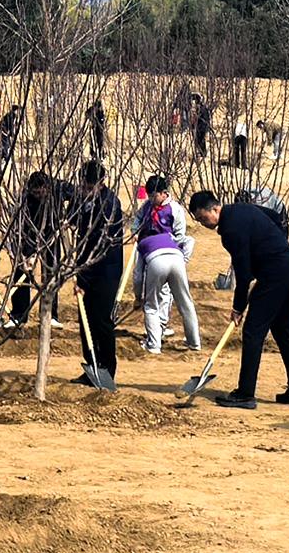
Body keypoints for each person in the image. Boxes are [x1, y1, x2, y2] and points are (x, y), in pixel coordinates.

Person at [197, 191, 289, 409]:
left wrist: (238, 307)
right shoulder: (244, 208)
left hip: (274, 275)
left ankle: (245, 393)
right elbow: (277, 217)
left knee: (253, 331)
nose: (202, 223)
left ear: (215, 209)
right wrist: (276, 247)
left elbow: (243, 273)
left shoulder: (230, 231)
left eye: (202, 218)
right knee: (284, 331)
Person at [71, 163, 128, 389]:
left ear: (100, 184)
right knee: (86, 321)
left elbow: (98, 246)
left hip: (105, 271)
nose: (85, 190)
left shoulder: (109, 206)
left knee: (101, 320)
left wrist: (83, 279)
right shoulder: (83, 200)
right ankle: (92, 366)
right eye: (83, 186)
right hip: (85, 269)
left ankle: (107, 370)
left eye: (89, 187)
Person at [134, 176, 201, 353]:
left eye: (154, 196)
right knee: (183, 302)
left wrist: (138, 297)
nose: (151, 199)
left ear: (164, 193)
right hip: (171, 259)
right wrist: (135, 230)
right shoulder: (147, 207)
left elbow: (137, 275)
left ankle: (155, 343)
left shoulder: (175, 210)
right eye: (149, 196)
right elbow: (138, 219)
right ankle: (190, 341)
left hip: (163, 259)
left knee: (153, 304)